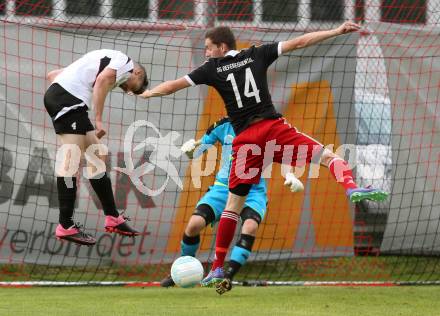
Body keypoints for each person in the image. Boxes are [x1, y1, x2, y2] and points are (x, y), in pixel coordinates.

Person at [138, 22, 388, 294]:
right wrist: (335, 31)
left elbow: (174, 85)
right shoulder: (257, 54)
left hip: (246, 141)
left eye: (209, 48)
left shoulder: (211, 69)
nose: (206, 53)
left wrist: (147, 93)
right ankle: (351, 188)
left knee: (232, 207)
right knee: (328, 156)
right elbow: (300, 42)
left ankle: (218, 267)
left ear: (222, 47)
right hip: (273, 129)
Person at [161, 117, 302, 287]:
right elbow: (199, 150)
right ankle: (181, 270)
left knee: (250, 226)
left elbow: (286, 155)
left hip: (253, 190)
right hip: (222, 188)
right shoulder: (223, 125)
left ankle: (226, 276)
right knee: (193, 225)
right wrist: (190, 150)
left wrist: (289, 174)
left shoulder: (266, 126)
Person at [44, 49, 149, 246]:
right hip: (69, 103)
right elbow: (102, 81)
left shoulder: (105, 61)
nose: (128, 91)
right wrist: (98, 120)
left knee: (97, 157)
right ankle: (65, 225)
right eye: (134, 88)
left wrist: (58, 94)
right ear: (138, 74)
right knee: (70, 161)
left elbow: (52, 75)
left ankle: (112, 217)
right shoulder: (126, 64)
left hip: (70, 103)